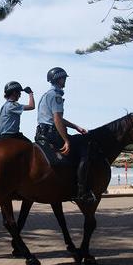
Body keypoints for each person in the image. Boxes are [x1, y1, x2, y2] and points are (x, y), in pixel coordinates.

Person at [34, 66, 95, 204]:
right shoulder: (56, 96)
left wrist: (76, 127)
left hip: (41, 133)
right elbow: (56, 120)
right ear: (58, 79)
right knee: (84, 150)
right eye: (63, 78)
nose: (65, 81)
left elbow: (58, 118)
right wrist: (66, 140)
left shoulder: (46, 95)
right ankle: (81, 192)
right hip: (52, 134)